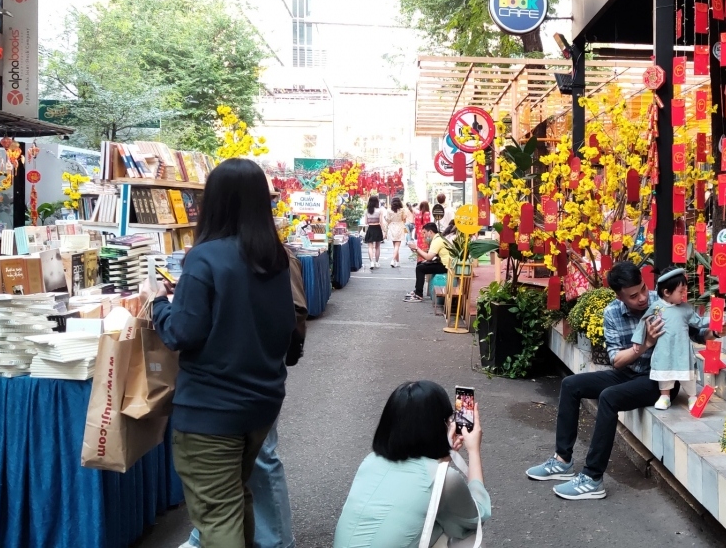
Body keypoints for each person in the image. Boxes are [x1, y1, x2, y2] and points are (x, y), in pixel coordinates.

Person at [144, 157, 297, 547]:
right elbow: (286, 327)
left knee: (218, 514)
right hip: (261, 404)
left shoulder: (205, 258)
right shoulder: (277, 259)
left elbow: (182, 333)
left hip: (211, 411)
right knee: (235, 497)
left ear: (213, 202)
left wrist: (157, 303)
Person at [524, 261, 726, 500]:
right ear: (619, 297)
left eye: (643, 289)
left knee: (609, 398)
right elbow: (616, 360)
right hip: (627, 371)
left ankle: (592, 478)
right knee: (571, 385)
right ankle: (562, 461)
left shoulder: (661, 301)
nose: (643, 298)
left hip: (660, 381)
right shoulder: (612, 312)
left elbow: (694, 331)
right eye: (633, 296)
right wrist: (645, 345)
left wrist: (715, 331)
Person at [182, 221, 309, 548]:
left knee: (256, 463)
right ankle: (206, 538)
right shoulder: (229, 256)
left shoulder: (272, 257)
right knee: (235, 476)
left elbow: (293, 313)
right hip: (253, 379)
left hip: (246, 379)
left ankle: (278, 541)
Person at [333, 381, 490, 548]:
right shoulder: (445, 479)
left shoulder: (370, 461)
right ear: (439, 426)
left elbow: (423, 486)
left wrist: (445, 453)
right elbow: (477, 517)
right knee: (464, 536)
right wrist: (473, 451)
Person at [631, 267, 705, 410]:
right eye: (681, 291)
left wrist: (716, 321)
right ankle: (665, 396)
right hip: (664, 348)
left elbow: (699, 321)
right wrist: (637, 339)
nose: (684, 294)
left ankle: (692, 397)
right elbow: (644, 321)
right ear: (666, 292)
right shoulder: (656, 307)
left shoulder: (686, 308)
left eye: (685, 290)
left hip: (682, 348)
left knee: (687, 374)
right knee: (664, 372)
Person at [404, 223, 449, 303]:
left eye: (424, 233)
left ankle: (418, 295)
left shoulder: (437, 240)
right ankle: (417, 290)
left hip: (446, 266)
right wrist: (417, 250)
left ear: (430, 232)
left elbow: (428, 257)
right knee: (420, 264)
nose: (424, 235)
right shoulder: (438, 238)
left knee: (420, 268)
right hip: (442, 262)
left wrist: (416, 248)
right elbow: (431, 257)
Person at [384, 198, 409, 268]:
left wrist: (385, 218)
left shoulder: (389, 210)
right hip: (399, 227)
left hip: (392, 227)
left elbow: (388, 220)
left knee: (395, 246)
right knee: (397, 246)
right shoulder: (402, 210)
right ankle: (393, 260)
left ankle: (397, 262)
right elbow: (404, 219)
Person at [364, 197, 385, 269]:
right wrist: (384, 231)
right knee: (377, 247)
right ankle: (377, 262)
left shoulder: (366, 211)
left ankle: (371, 262)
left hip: (370, 229)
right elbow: (381, 222)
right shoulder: (380, 211)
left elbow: (366, 222)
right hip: (377, 228)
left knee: (370, 247)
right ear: (377, 202)